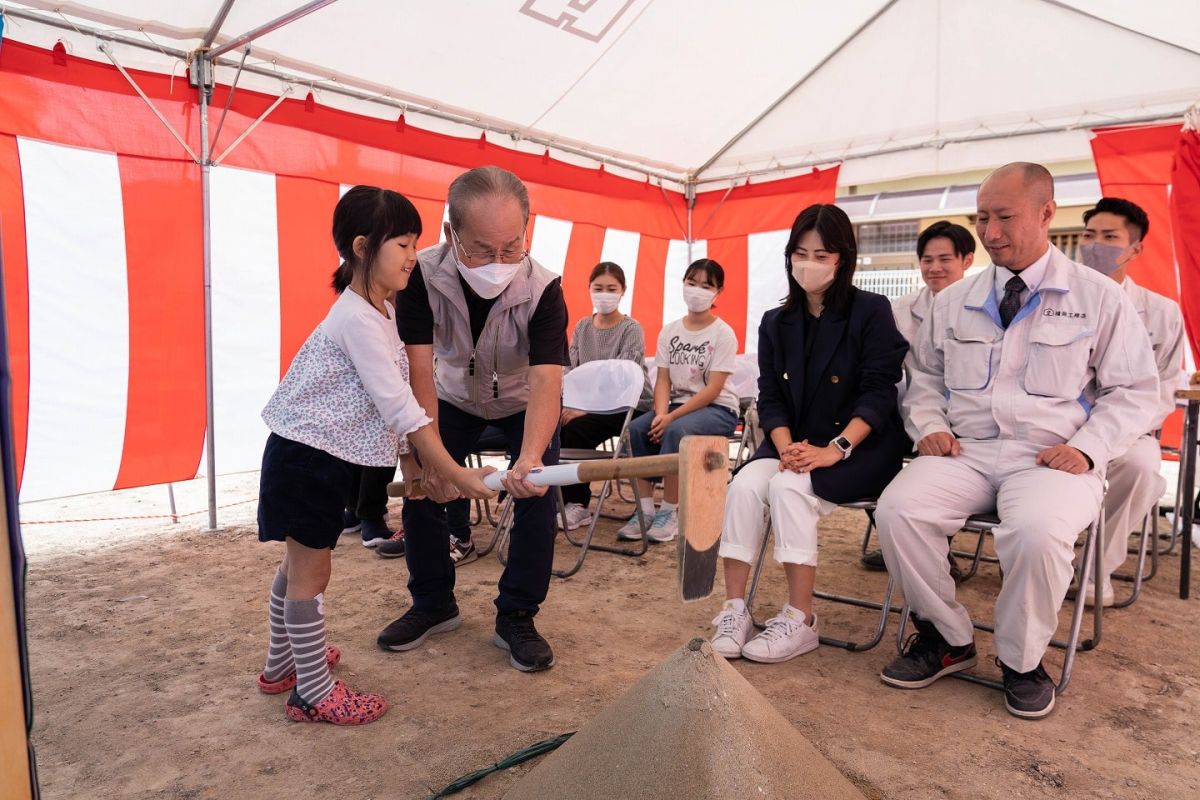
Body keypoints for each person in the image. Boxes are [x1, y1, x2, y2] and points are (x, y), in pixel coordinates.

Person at [874, 163, 1158, 720]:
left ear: (1047, 214)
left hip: (1052, 459)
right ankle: (947, 638)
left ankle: (1023, 661)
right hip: (968, 451)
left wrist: (1089, 447)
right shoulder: (954, 299)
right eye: (982, 218)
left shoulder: (1098, 297)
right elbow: (925, 377)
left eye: (1005, 217)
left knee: (1034, 531)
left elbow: (1135, 391)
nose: (991, 231)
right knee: (898, 510)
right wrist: (928, 424)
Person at [255, 186, 494, 725]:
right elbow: (402, 407)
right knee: (310, 573)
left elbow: (391, 404)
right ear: (363, 247)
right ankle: (312, 691)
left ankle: (281, 665)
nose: (415, 257)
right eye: (404, 245)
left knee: (297, 566)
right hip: (306, 460)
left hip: (317, 458)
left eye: (416, 244)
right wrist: (457, 474)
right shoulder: (358, 320)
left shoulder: (378, 309)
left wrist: (413, 469)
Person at [378, 166, 568, 673]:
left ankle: (518, 615)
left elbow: (548, 380)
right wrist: (433, 455)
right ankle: (433, 603)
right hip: (451, 396)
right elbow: (418, 365)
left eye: (512, 247)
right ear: (450, 234)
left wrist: (529, 457)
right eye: (483, 249)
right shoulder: (419, 274)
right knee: (422, 480)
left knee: (537, 488)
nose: (499, 261)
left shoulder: (545, 288)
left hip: (521, 402)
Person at [709, 204, 909, 663]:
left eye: (821, 254)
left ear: (843, 257)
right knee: (742, 487)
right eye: (800, 252)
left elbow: (880, 393)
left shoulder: (870, 311)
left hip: (859, 447)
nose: (809, 263)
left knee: (789, 488)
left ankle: (802, 619)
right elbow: (770, 397)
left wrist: (834, 449)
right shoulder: (776, 322)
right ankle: (735, 608)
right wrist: (786, 448)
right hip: (791, 444)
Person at [1079, 197, 1185, 606]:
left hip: (1126, 428)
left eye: (1109, 237)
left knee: (1142, 466)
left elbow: (1161, 390)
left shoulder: (1161, 313)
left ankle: (1093, 570)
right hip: (1059, 424)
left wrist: (1109, 434)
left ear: (1135, 248)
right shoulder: (1057, 299)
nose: (1095, 244)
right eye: (1090, 235)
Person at [860, 221, 975, 572]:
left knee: (946, 460)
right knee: (862, 454)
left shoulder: (982, 308)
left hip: (962, 421)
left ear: (967, 260)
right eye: (927, 260)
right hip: (904, 412)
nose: (934, 268)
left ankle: (936, 551)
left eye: (944, 259)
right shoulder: (899, 310)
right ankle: (903, 540)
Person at [618, 259, 740, 543]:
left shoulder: (723, 333)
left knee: (676, 431)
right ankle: (645, 510)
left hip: (718, 408)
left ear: (718, 292)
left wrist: (670, 419)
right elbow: (663, 380)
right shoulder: (670, 330)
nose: (697, 290)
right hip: (675, 406)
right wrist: (661, 414)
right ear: (683, 284)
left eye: (706, 285)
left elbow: (713, 389)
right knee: (637, 429)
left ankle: (669, 512)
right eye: (691, 282)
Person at [558, 262, 653, 530]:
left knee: (577, 428)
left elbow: (622, 378)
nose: (604, 294)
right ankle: (557, 498)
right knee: (555, 426)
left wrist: (586, 409)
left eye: (611, 288)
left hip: (630, 405)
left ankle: (578, 505)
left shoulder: (630, 329)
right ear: (589, 289)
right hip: (588, 404)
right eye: (598, 288)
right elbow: (571, 370)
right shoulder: (582, 327)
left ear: (623, 291)